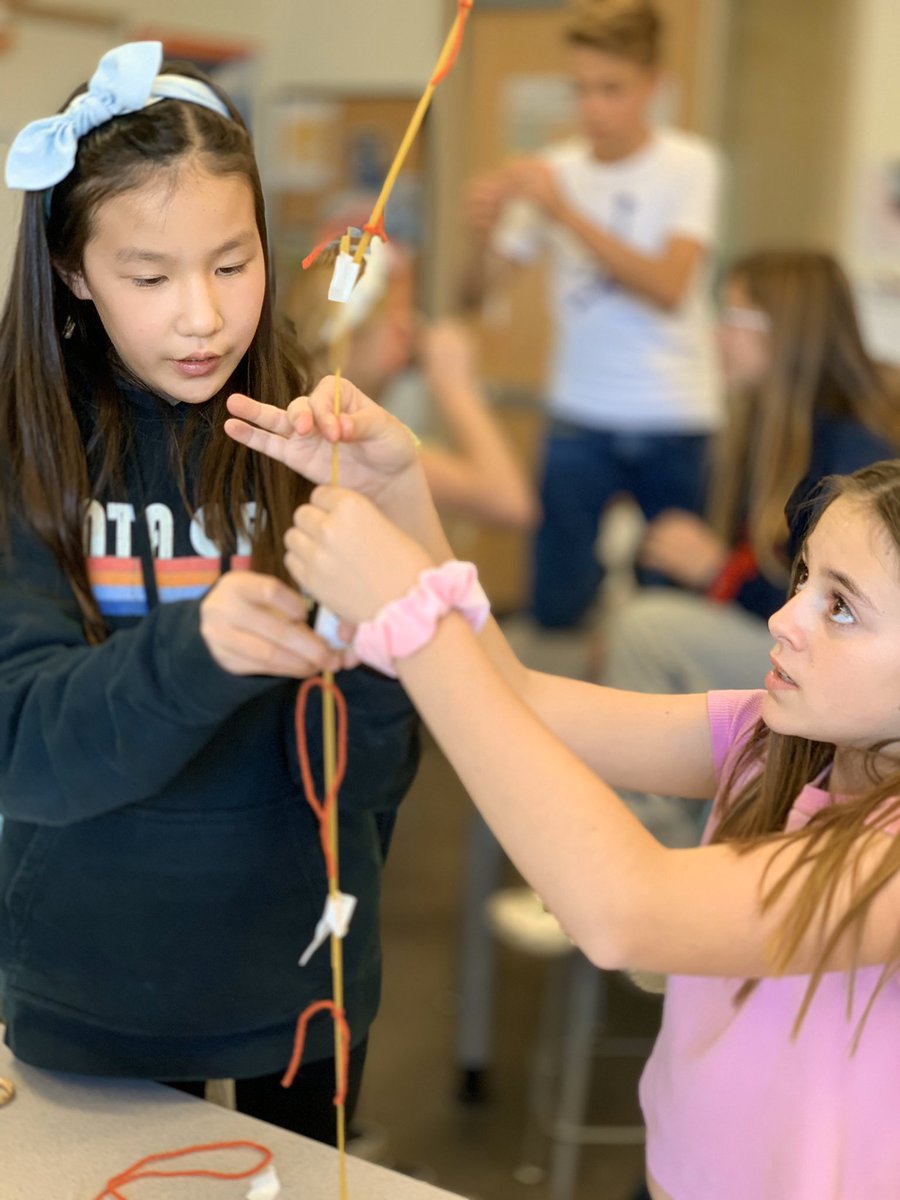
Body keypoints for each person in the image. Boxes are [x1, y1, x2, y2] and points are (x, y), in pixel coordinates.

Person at [225, 379, 900, 1200]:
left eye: (841, 608)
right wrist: (398, 491)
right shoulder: (771, 736)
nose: (783, 618)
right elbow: (520, 697)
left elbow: (626, 914)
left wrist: (411, 617)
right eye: (803, 580)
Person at [0, 42, 420, 1144]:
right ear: (73, 270)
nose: (203, 317)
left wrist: (383, 638)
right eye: (150, 278)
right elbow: (23, 746)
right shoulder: (25, 448)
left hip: (307, 977)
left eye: (233, 265)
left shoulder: (315, 435)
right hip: (92, 985)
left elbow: (378, 771)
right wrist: (203, 649)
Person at [461, 0, 722, 628]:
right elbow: (473, 294)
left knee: (669, 610)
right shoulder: (557, 170)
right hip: (578, 413)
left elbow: (668, 285)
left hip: (676, 414)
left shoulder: (690, 164)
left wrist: (564, 211)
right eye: (579, 89)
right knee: (556, 604)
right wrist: (481, 235)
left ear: (653, 85)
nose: (593, 108)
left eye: (611, 89)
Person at [602, 248, 900, 766]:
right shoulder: (759, 432)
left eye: (734, 316)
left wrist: (717, 572)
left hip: (826, 661)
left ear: (788, 332)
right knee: (638, 622)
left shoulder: (852, 455)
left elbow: (839, 610)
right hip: (777, 635)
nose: (717, 333)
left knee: (645, 630)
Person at [284, 224, 538, 530]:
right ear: (350, 333)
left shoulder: (303, 411)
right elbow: (511, 502)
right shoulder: (354, 445)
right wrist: (457, 388)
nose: (409, 327)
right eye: (396, 312)